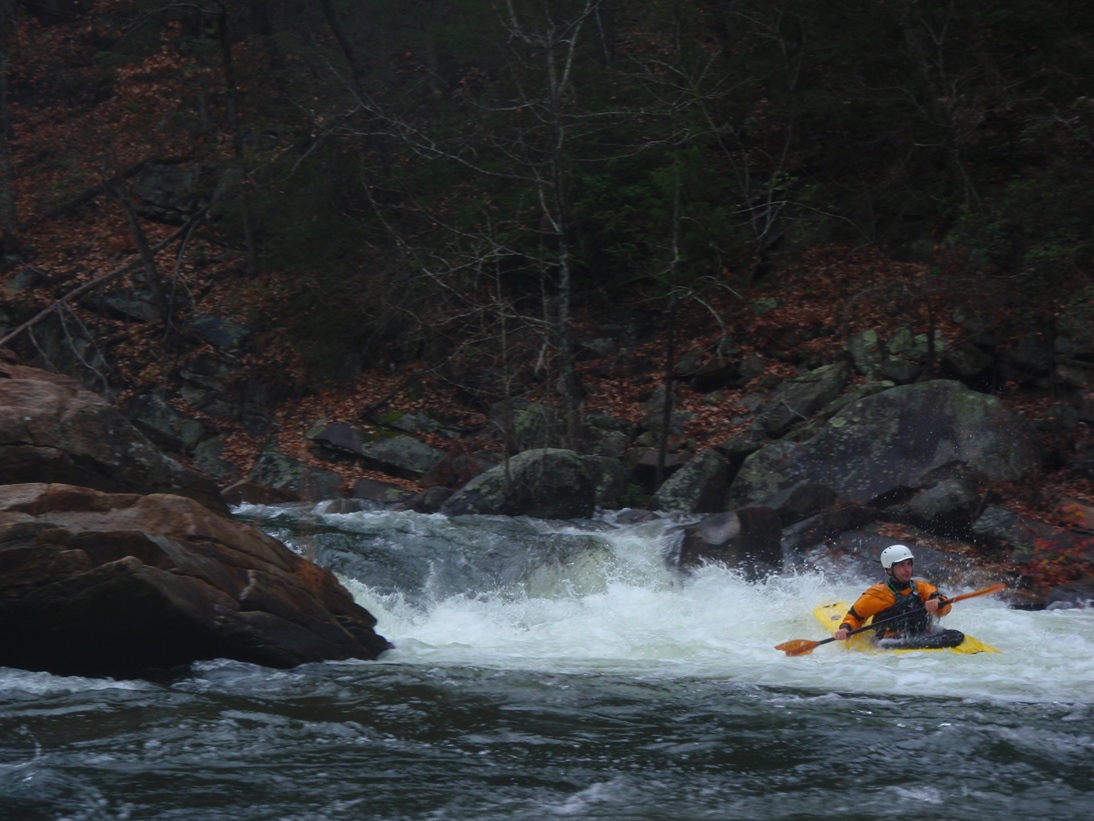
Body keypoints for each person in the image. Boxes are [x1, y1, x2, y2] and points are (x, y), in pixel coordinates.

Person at [833, 544, 965, 649]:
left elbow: (945, 606)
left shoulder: (921, 587)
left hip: (922, 634)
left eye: (909, 564)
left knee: (955, 635)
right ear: (889, 570)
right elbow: (855, 617)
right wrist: (845, 629)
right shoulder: (878, 594)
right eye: (901, 565)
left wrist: (938, 603)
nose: (907, 569)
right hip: (891, 641)